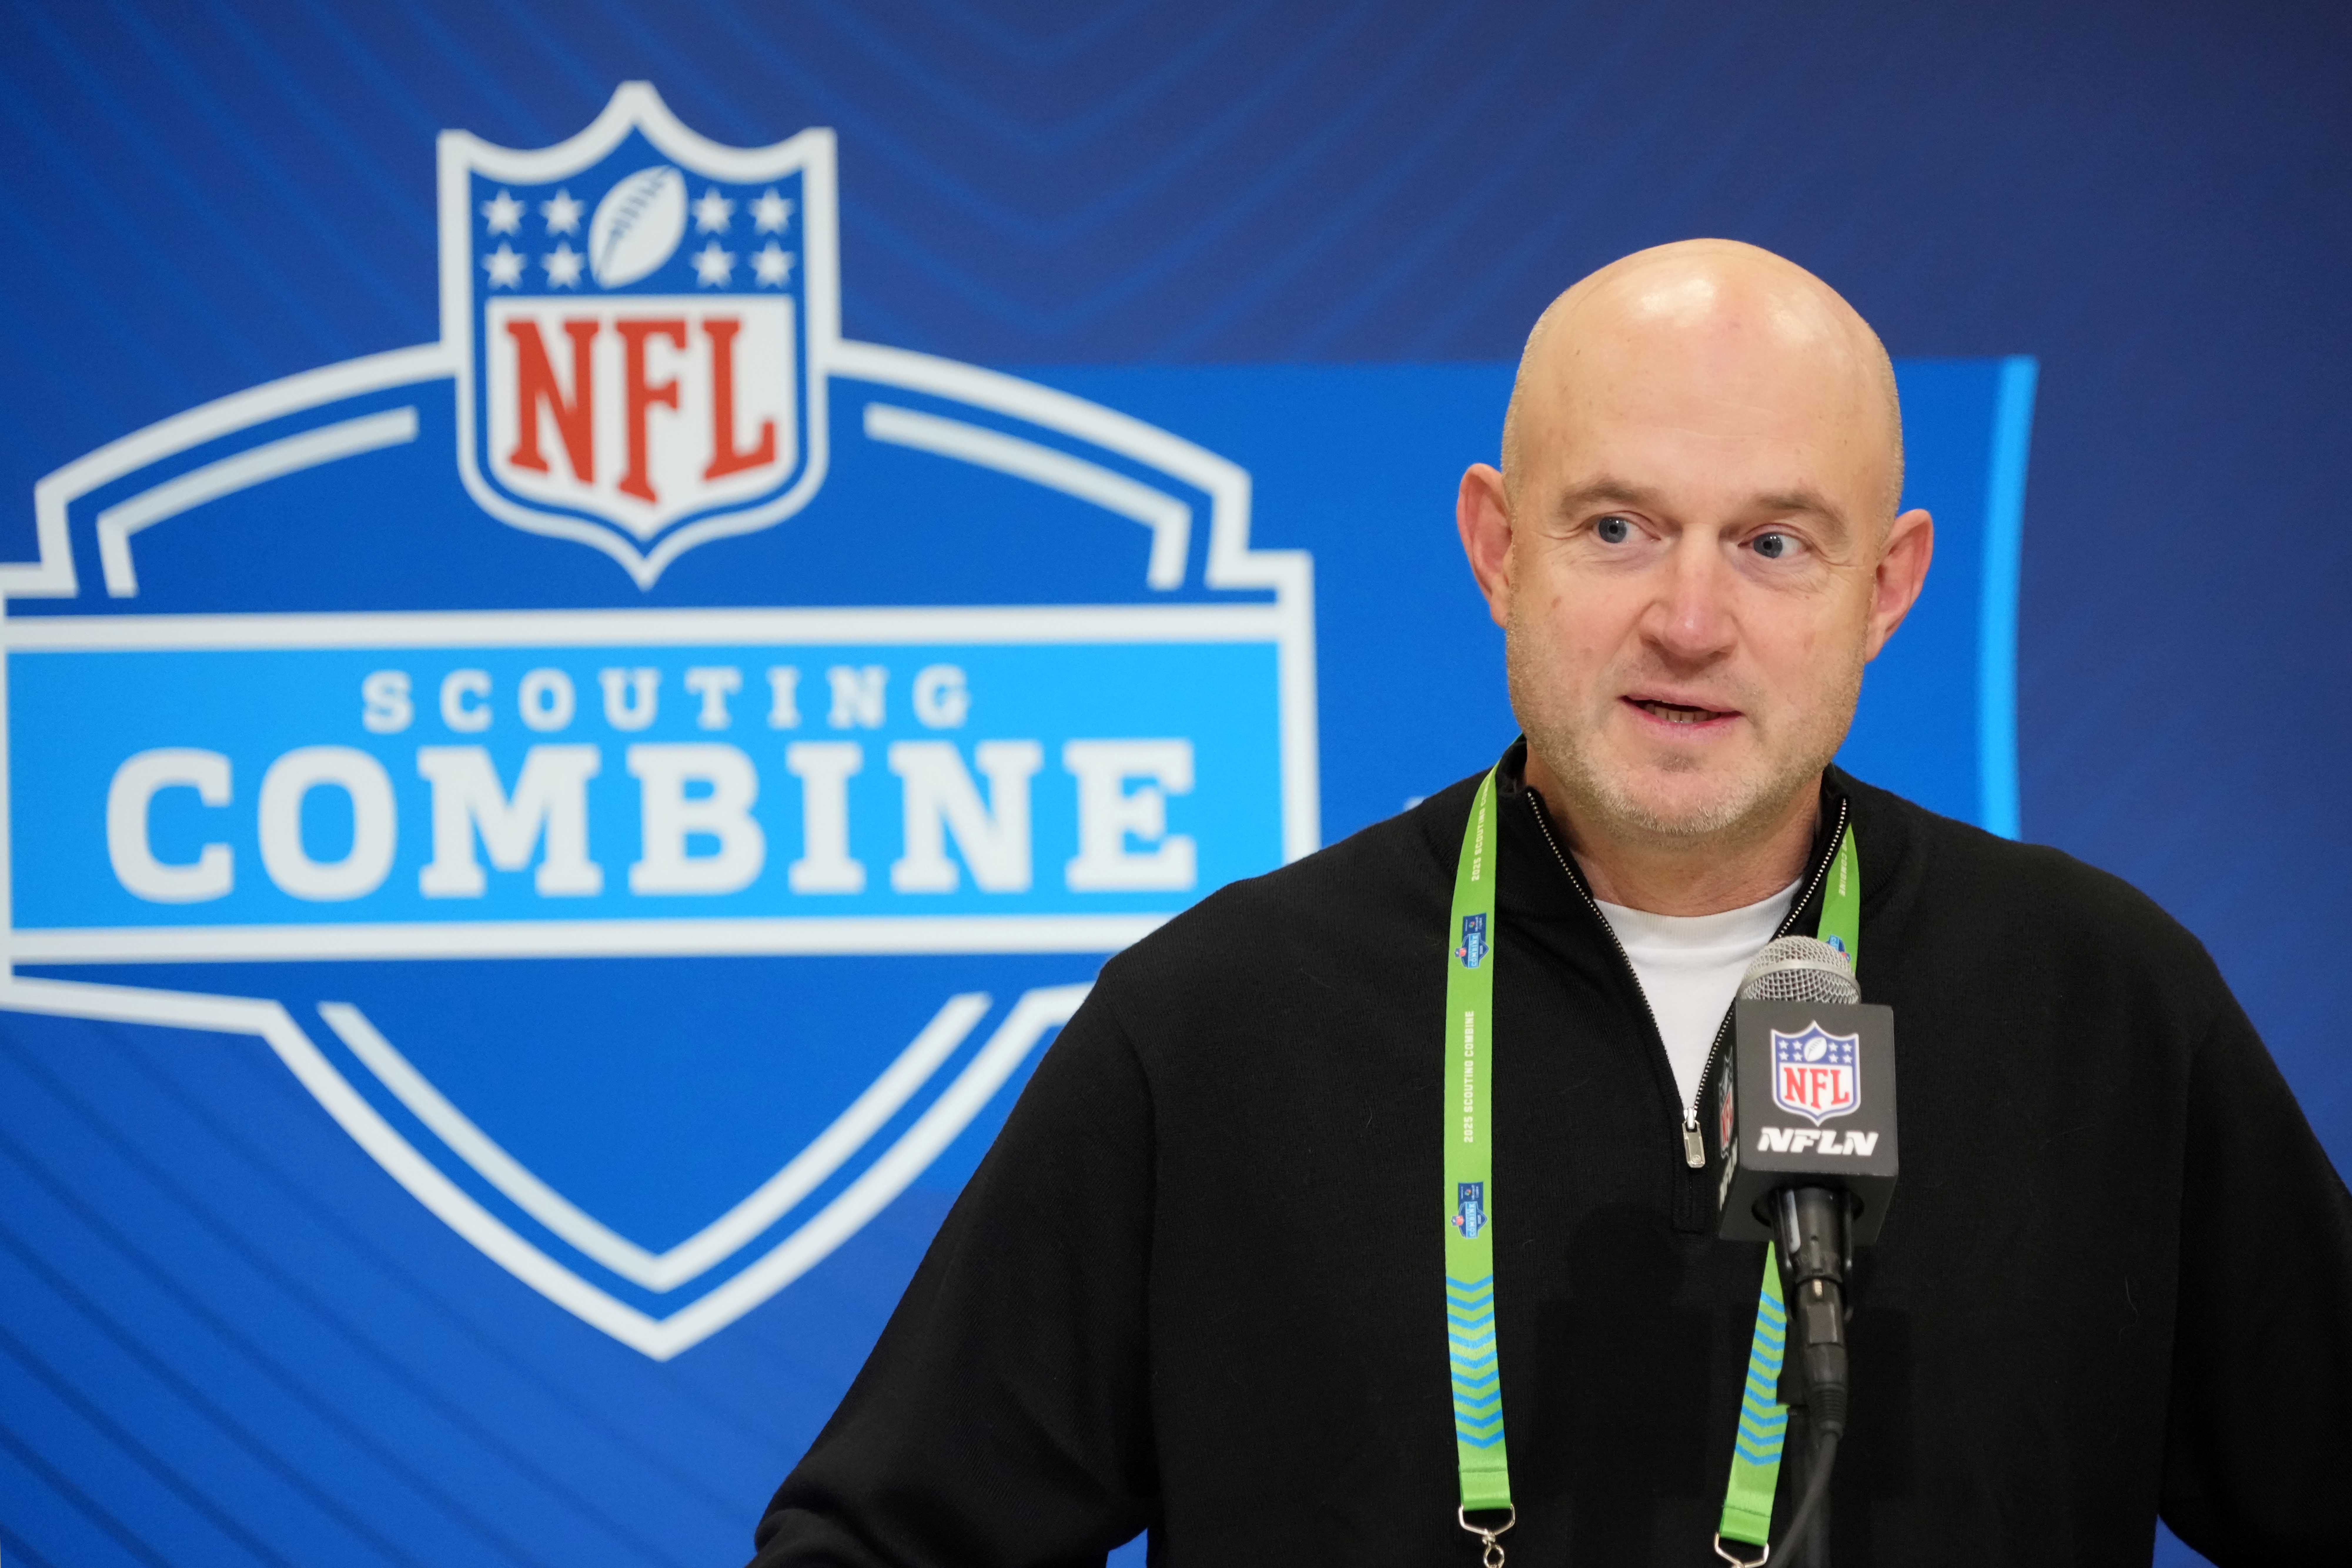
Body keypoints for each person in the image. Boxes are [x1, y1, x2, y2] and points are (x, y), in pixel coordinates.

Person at [749, 241, 2352, 1566]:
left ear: (1888, 587)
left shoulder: (2102, 1005)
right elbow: (876, 1545)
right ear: (1494, 548)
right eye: (1615, 527)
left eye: (1773, 542)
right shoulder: (1217, 1019)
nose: (1687, 616)